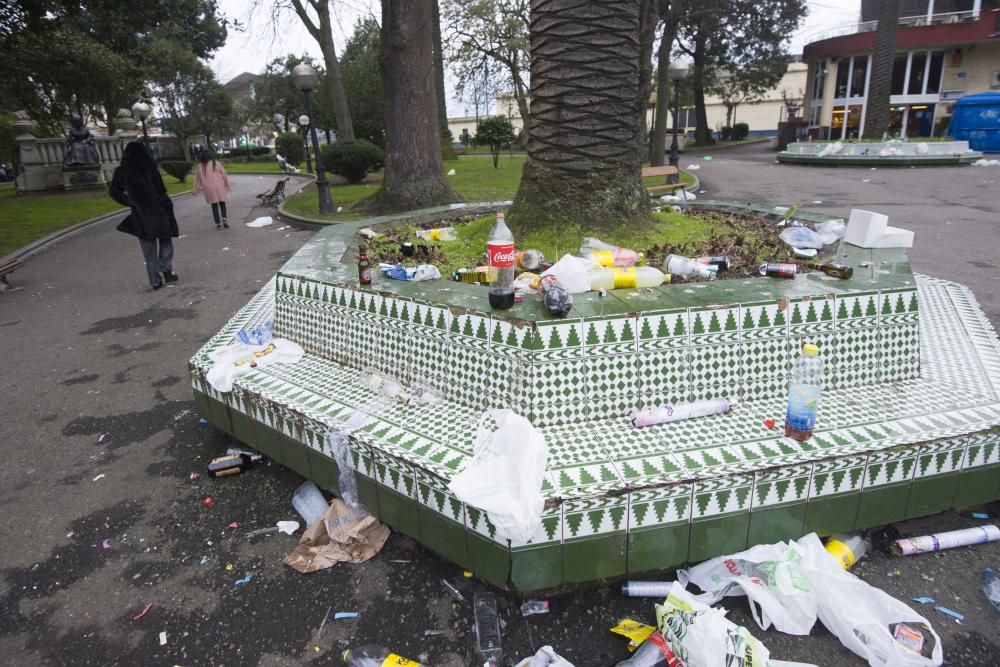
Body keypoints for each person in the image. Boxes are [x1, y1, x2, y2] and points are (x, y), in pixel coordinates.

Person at [109, 141, 179, 290]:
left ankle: (154, 280)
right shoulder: (150, 168)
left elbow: (114, 192)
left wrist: (131, 202)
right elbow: (161, 189)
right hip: (159, 208)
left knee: (148, 248)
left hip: (141, 212)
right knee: (166, 240)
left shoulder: (122, 171)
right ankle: (166, 269)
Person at [192, 151, 232, 229]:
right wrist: (227, 185)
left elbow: (197, 180)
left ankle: (218, 223)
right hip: (219, 186)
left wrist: (195, 190)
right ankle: (224, 219)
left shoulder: (200, 166)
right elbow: (224, 174)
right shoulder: (216, 163)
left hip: (209, 188)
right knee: (222, 203)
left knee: (214, 205)